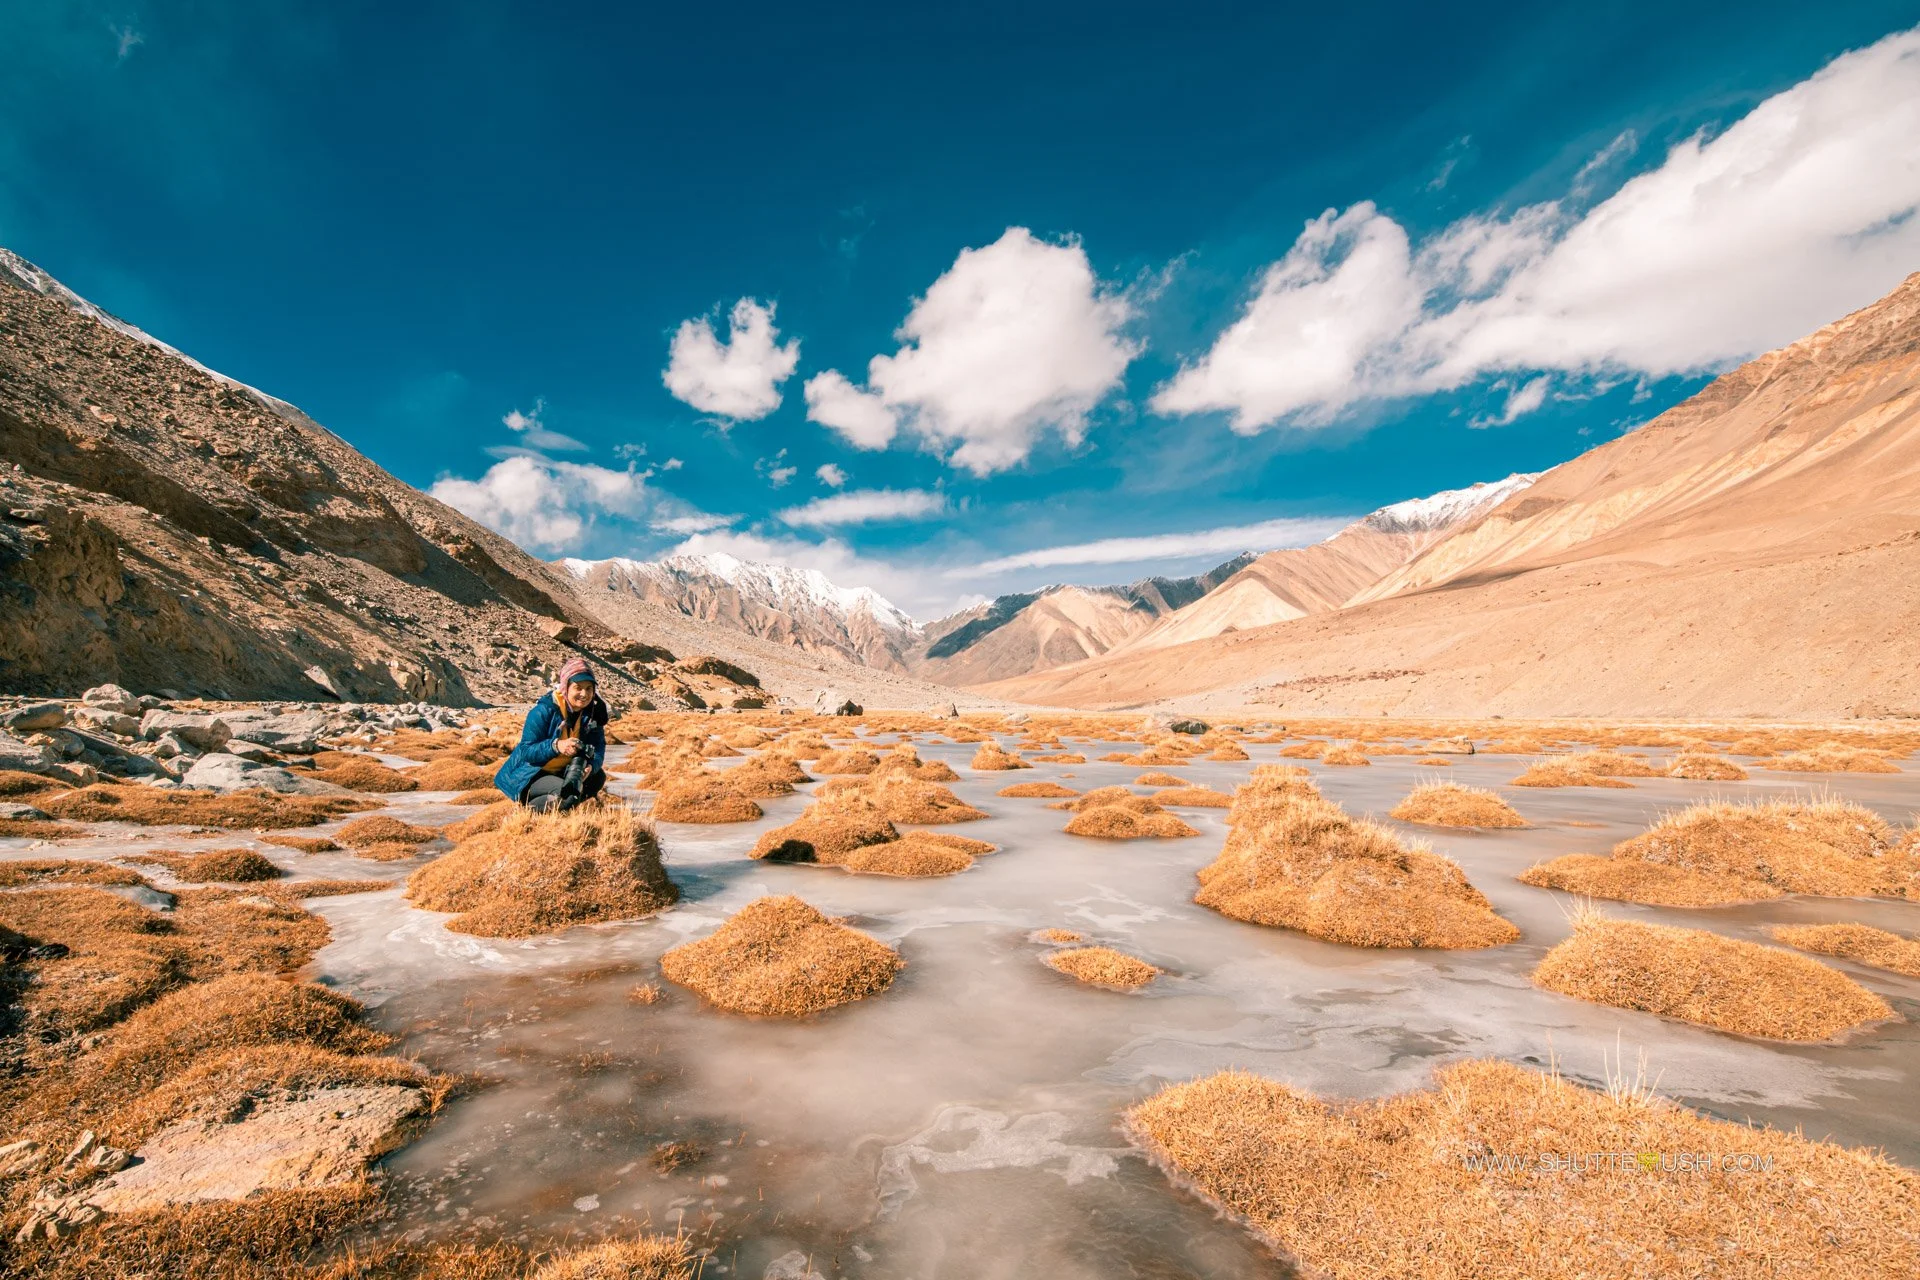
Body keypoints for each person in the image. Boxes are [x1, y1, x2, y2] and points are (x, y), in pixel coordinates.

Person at [495, 657, 609, 812]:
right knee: (569, 795)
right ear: (565, 686)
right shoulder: (543, 711)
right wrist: (556, 746)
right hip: (532, 774)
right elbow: (527, 751)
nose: (584, 694)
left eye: (589, 688)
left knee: (597, 777)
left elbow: (598, 748)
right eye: (578, 688)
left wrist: (591, 766)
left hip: (562, 770)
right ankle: (530, 811)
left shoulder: (593, 713)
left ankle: (560, 806)